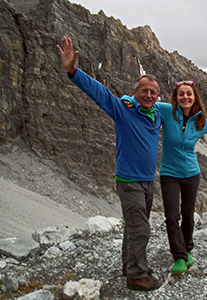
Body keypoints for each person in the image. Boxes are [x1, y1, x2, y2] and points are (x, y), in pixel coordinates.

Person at [122, 80, 207, 275]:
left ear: (194, 97)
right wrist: (127, 99)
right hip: (169, 174)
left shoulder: (201, 121)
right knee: (172, 217)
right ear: (176, 98)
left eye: (189, 94)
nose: (185, 97)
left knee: (188, 217)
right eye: (181, 94)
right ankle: (179, 257)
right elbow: (145, 100)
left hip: (192, 174)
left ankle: (187, 251)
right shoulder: (166, 111)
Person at [57, 36, 162, 291]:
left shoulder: (157, 115)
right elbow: (99, 92)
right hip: (129, 181)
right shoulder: (122, 110)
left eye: (153, 92)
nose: (148, 95)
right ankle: (137, 276)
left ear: (157, 96)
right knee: (141, 229)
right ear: (135, 93)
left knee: (134, 226)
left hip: (148, 182)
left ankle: (130, 264)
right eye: (144, 91)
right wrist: (73, 70)